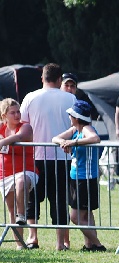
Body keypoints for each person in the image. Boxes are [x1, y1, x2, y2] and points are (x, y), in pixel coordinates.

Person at [19, 63, 76, 250]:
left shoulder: (30, 97)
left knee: (33, 198)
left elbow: (24, 126)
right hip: (63, 155)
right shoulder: (71, 98)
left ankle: (32, 237)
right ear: (60, 79)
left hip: (35, 155)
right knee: (59, 200)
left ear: (42, 78)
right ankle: (60, 242)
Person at [52, 100, 105, 252]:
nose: (69, 117)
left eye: (71, 114)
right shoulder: (75, 129)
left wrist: (73, 143)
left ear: (77, 116)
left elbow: (95, 139)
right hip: (76, 178)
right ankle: (90, 245)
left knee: (75, 217)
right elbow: (54, 138)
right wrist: (65, 143)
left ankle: (98, 244)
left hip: (86, 178)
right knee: (87, 214)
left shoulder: (87, 128)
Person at [0, 98, 38, 249]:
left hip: (26, 170)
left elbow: (22, 137)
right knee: (11, 210)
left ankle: (22, 216)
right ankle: (19, 244)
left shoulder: (26, 126)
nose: (17, 115)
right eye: (12, 112)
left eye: (18, 111)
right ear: (4, 115)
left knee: (21, 181)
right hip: (5, 174)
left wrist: (3, 141)